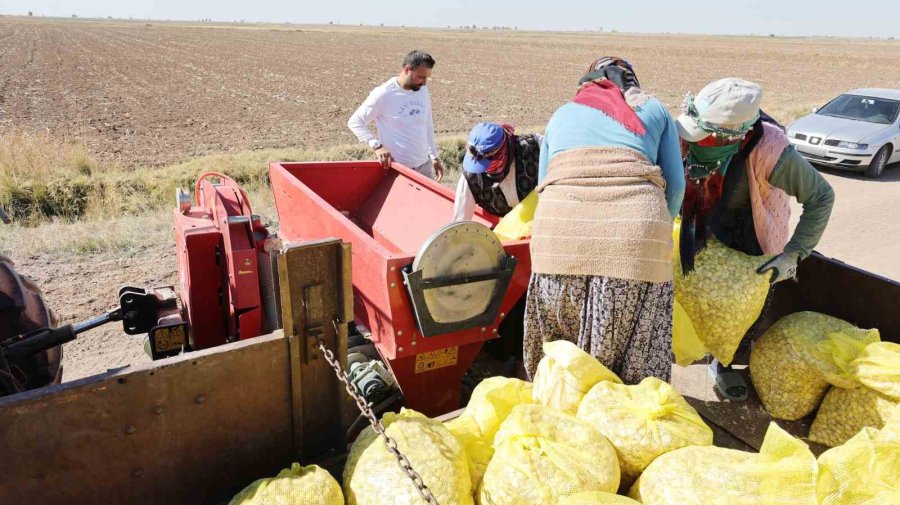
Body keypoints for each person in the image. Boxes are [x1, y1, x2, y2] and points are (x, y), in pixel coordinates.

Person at [524, 56, 685, 384]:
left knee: (562, 353)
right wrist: (649, 232)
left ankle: (564, 416)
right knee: (633, 353)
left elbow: (544, 185)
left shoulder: (560, 115)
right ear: (632, 82)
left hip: (560, 235)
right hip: (636, 235)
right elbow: (677, 186)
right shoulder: (655, 109)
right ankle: (622, 423)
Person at [675, 77, 835, 400]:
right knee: (699, 296)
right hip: (712, 224)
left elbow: (821, 197)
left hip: (755, 236)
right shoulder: (688, 131)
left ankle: (725, 363)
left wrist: (794, 254)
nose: (696, 142)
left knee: (746, 312)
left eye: (707, 138)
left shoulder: (771, 150)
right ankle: (703, 349)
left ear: (736, 135)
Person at [347, 50, 444, 181]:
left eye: (427, 77)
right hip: (399, 170)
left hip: (424, 166)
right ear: (406, 69)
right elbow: (355, 121)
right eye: (421, 77)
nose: (424, 83)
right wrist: (377, 146)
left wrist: (434, 156)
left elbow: (427, 124)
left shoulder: (423, 90)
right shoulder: (383, 94)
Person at [452, 122, 542, 222]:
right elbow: (460, 221)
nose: (484, 170)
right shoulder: (471, 177)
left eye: (485, 163)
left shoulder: (535, 147)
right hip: (505, 234)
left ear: (501, 152)